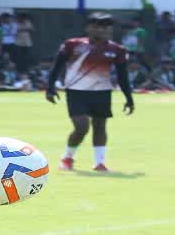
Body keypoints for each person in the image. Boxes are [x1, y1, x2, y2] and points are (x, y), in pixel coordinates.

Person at [46, 12, 135, 172]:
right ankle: (67, 157)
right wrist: (50, 88)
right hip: (76, 91)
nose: (102, 30)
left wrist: (129, 98)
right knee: (82, 127)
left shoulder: (117, 50)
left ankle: (99, 163)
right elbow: (57, 66)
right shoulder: (72, 45)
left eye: (106, 27)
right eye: (97, 26)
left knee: (100, 126)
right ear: (88, 28)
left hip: (102, 92)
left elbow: (123, 76)